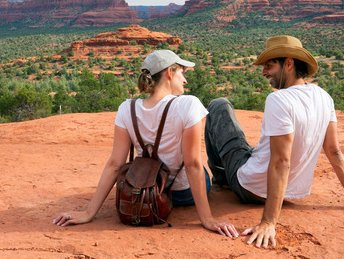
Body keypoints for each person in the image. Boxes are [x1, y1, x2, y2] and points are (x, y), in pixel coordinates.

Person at [205, 36, 344, 248]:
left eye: (269, 66)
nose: (264, 72)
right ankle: (226, 176)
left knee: (219, 104)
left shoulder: (278, 100)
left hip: (248, 187)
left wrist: (269, 222)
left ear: (288, 63)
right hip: (289, 192)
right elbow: (334, 151)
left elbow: (280, 162)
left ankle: (222, 177)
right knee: (252, 149)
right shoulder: (324, 96)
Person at [53, 50, 238, 237]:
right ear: (169, 73)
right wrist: (207, 219)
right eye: (182, 73)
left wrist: (88, 213)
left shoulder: (127, 108)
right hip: (182, 193)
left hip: (142, 193)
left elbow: (115, 164)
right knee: (204, 172)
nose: (185, 80)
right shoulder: (188, 105)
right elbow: (192, 165)